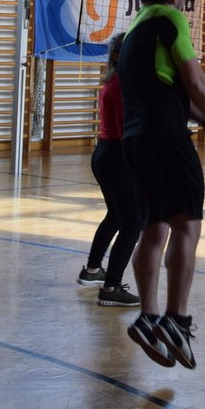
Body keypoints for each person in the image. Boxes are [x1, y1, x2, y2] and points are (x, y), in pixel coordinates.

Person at [119, 0, 205, 370]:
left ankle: (148, 317)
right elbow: (195, 80)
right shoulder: (171, 20)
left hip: (135, 140)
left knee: (155, 228)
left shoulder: (135, 29)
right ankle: (177, 321)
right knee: (187, 225)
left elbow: (170, 92)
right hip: (165, 137)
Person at [78, 33, 140, 307]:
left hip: (105, 153)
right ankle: (111, 287)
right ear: (118, 55)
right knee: (133, 223)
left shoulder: (115, 80)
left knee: (116, 215)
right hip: (117, 157)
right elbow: (128, 131)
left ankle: (93, 270)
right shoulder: (123, 85)